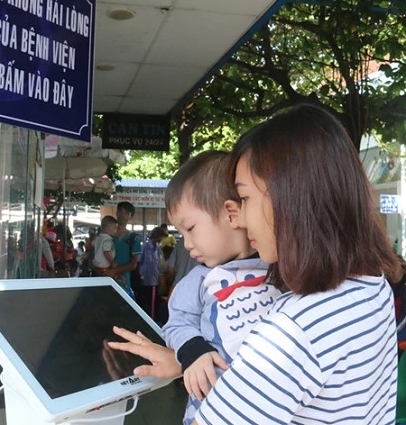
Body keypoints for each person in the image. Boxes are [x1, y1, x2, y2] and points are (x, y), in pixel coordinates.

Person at [111, 104, 402, 425]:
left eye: (245, 199)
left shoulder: (292, 329)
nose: (241, 218)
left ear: (289, 199)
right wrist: (187, 360)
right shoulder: (371, 286)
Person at [163, 150, 282, 424]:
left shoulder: (280, 267)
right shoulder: (200, 280)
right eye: (181, 234)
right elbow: (176, 323)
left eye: (190, 228)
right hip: (210, 407)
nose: (187, 243)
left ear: (231, 214)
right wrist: (194, 351)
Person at [111, 202, 142, 298]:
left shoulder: (134, 238)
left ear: (130, 216)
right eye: (120, 211)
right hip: (104, 280)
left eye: (127, 213)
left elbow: (133, 265)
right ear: (116, 213)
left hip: (124, 283)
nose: (122, 215)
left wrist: (114, 270)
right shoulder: (106, 235)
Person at [136, 226, 167, 320]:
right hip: (144, 281)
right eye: (161, 237)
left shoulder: (158, 248)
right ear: (157, 236)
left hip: (154, 282)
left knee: (153, 305)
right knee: (144, 304)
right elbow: (138, 262)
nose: (162, 240)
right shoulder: (144, 247)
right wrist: (139, 278)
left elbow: (158, 264)